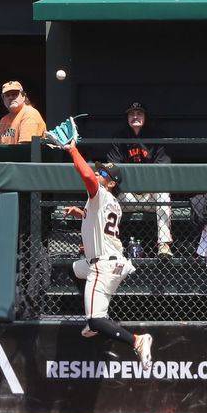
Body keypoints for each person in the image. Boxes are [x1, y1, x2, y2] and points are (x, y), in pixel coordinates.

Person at [62, 139, 153, 370]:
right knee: (74, 268)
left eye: (102, 172)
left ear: (111, 183)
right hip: (111, 261)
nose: (97, 172)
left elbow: (88, 179)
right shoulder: (112, 203)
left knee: (95, 319)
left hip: (102, 266)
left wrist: (73, 150)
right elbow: (99, 220)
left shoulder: (101, 192)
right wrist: (81, 213)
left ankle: (136, 341)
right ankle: (96, 319)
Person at [107, 102, 173, 257]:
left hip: (150, 195)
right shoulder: (119, 137)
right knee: (107, 197)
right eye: (131, 114)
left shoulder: (156, 137)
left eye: (139, 113)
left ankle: (163, 245)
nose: (135, 116)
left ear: (145, 117)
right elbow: (114, 168)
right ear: (127, 117)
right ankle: (110, 245)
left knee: (163, 194)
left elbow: (162, 168)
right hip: (127, 196)